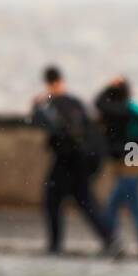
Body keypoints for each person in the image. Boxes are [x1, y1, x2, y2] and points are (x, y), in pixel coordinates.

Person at [31, 66, 119, 257]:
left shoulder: (52, 103)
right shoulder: (75, 102)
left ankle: (55, 245)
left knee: (53, 200)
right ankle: (110, 239)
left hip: (68, 159)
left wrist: (37, 105)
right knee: (85, 201)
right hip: (82, 159)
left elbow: (41, 122)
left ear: (47, 82)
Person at [94, 77, 138, 250]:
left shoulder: (120, 110)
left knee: (127, 204)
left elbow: (99, 102)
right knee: (128, 204)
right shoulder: (131, 109)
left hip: (129, 152)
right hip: (131, 151)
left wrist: (109, 85)